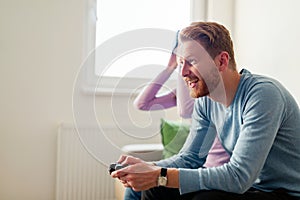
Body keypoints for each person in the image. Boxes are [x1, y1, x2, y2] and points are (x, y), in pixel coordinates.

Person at [112, 22, 300, 200]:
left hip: (285, 193)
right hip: (252, 189)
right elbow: (191, 158)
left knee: (206, 198)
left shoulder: (263, 95)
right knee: (156, 190)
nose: (183, 72)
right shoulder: (206, 101)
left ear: (222, 61)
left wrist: (160, 175)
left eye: (191, 61)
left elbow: (239, 177)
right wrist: (147, 168)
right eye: (180, 63)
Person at [123, 31, 230, 200]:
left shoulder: (210, 95)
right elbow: (141, 104)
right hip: (196, 164)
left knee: (152, 185)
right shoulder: (187, 93)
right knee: (134, 187)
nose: (185, 70)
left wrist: (181, 65)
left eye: (191, 60)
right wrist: (169, 67)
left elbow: (186, 110)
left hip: (210, 169)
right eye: (182, 60)